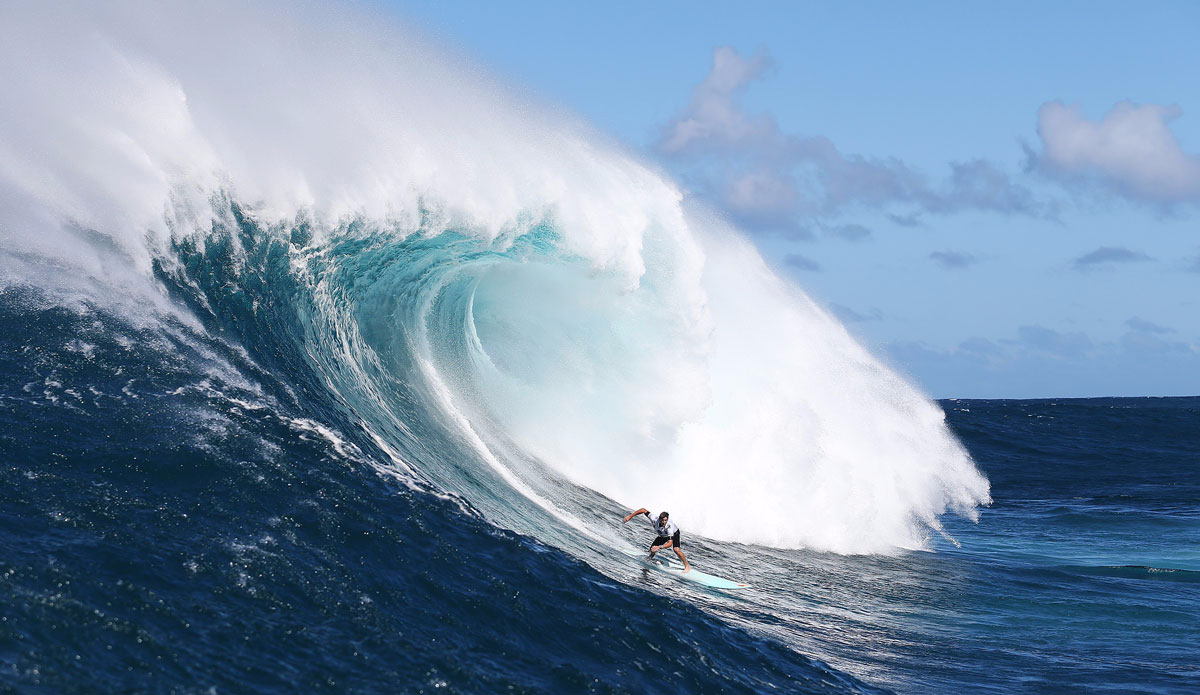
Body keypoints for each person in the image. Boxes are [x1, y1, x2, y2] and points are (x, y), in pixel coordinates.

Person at [622, 507, 690, 572]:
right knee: (652, 548)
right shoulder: (654, 519)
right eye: (662, 520)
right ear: (659, 519)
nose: (664, 522)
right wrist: (630, 516)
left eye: (665, 520)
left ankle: (687, 566)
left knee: (676, 550)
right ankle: (649, 558)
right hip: (663, 535)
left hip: (674, 533)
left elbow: (670, 543)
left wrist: (659, 547)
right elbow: (643, 510)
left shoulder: (669, 526)